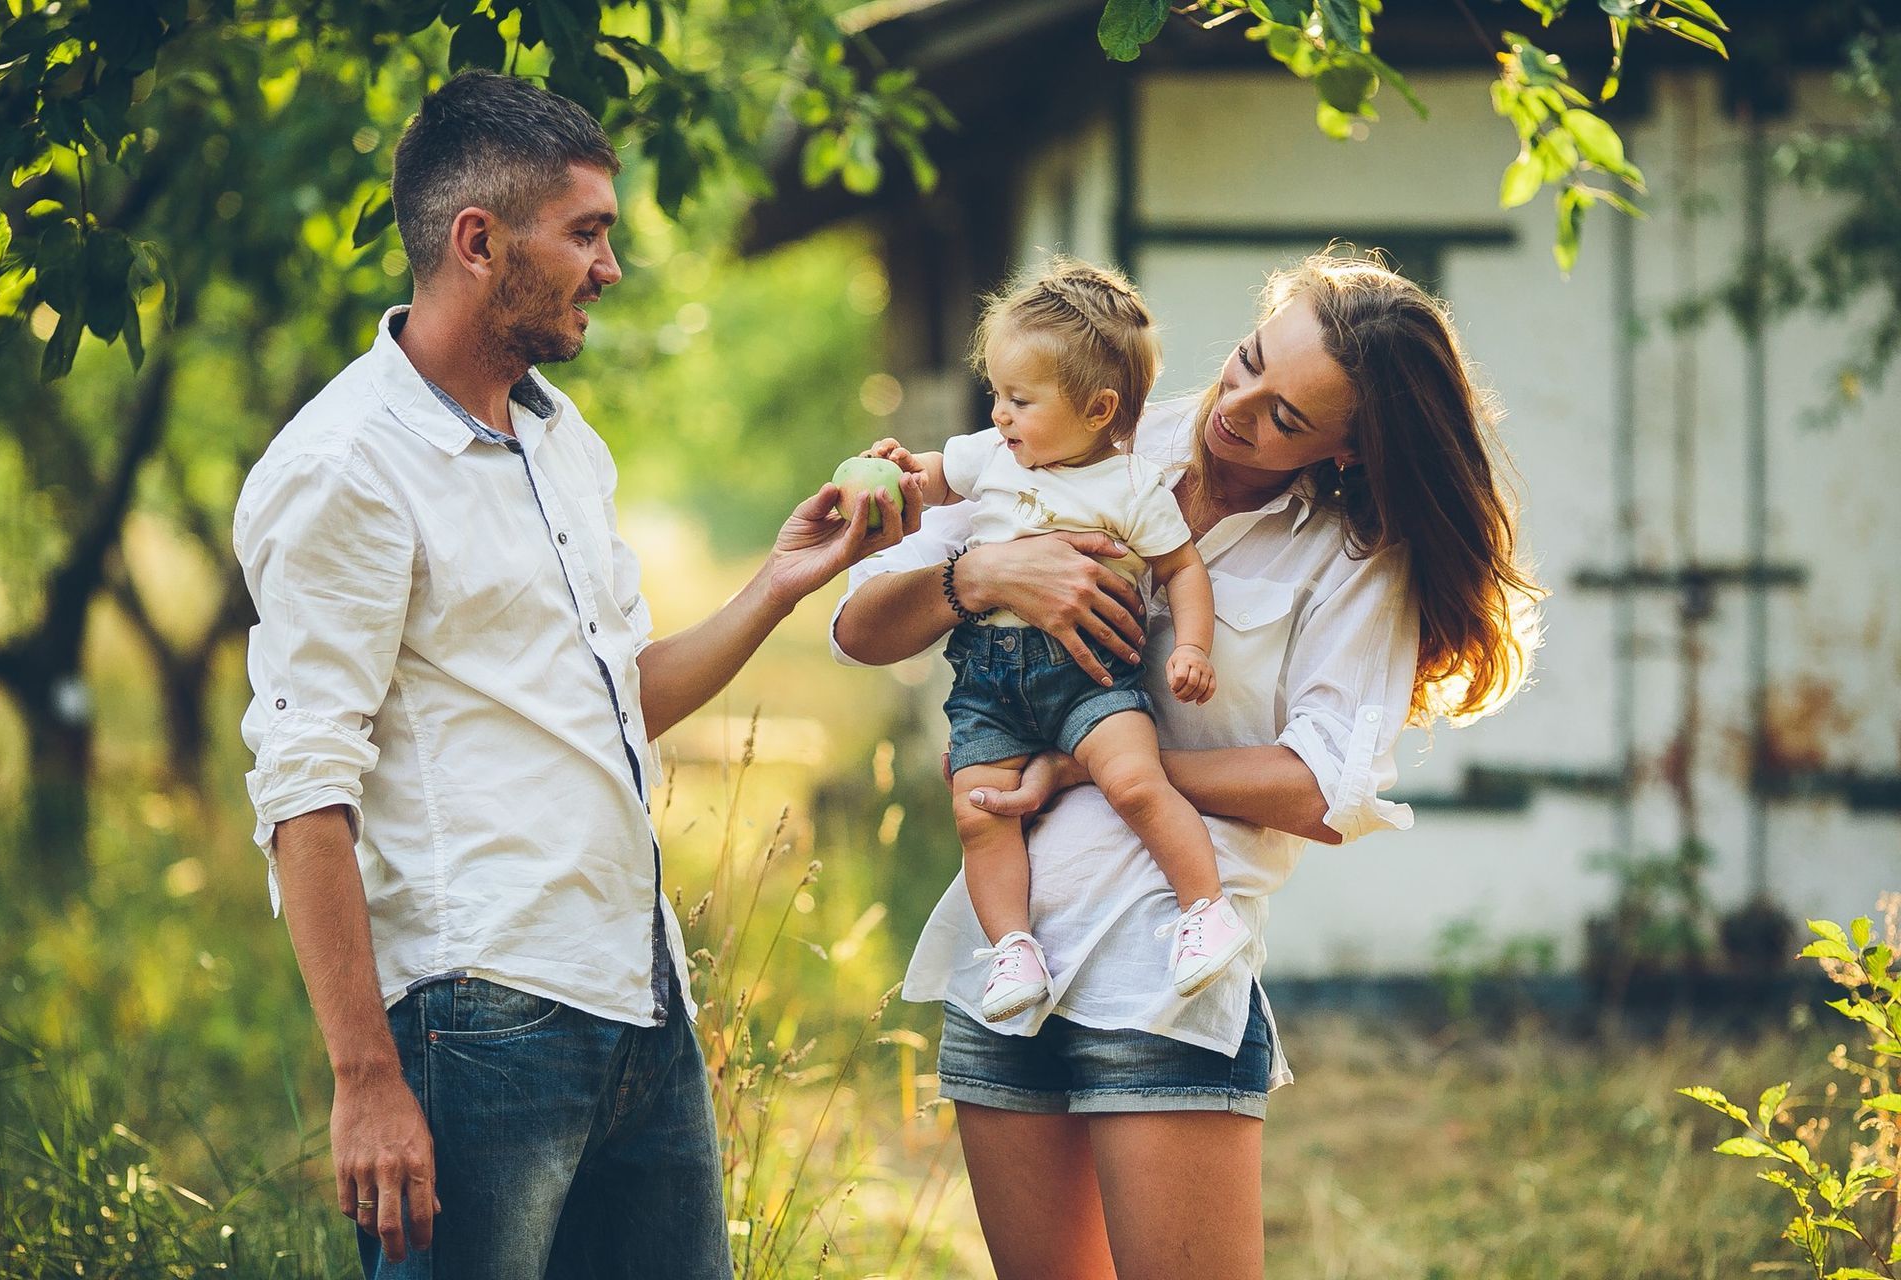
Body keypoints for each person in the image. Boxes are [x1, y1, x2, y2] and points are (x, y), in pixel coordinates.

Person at [232, 71, 921, 1278]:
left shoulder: (561, 436)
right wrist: (366, 1080)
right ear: (478, 242)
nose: (611, 267)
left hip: (636, 996)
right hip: (475, 1016)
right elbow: (303, 787)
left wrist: (779, 581)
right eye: (588, 232)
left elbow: (616, 702)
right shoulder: (347, 467)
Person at [832, 251, 1542, 1279]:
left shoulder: (1352, 558)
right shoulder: (1088, 431)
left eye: (1287, 417)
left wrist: (1094, 768)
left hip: (1160, 974)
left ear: (1348, 449)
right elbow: (859, 625)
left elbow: (1320, 787)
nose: (1237, 407)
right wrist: (978, 571)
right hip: (1007, 966)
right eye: (1250, 362)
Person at [866, 258, 1251, 1025]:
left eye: (1019, 400)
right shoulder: (993, 455)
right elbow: (942, 475)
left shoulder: (1133, 487)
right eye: (996, 397)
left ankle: (1205, 912)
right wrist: (906, 473)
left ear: (1098, 408)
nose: (1000, 416)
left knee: (1137, 783)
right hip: (989, 681)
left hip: (1091, 678)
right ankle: (1012, 946)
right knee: (978, 812)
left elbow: (1182, 570)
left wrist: (1192, 649)